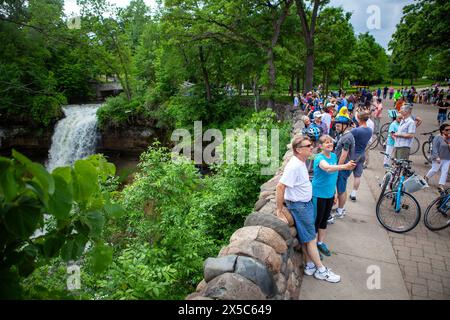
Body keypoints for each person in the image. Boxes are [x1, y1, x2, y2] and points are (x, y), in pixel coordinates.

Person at [276, 136, 341, 283]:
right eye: (308, 146)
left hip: (305, 204)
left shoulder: (301, 162)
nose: (311, 147)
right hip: (300, 206)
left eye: (311, 145)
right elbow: (280, 186)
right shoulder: (294, 166)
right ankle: (321, 270)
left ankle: (310, 265)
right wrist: (279, 210)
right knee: (312, 238)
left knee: (306, 237)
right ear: (298, 150)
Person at [312, 135, 356, 255]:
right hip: (319, 195)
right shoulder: (318, 158)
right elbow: (328, 168)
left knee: (324, 220)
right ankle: (313, 248)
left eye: (331, 142)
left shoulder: (333, 156)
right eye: (326, 143)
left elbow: (334, 175)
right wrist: (345, 166)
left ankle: (320, 243)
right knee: (316, 221)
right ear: (320, 146)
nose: (330, 144)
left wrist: (335, 192)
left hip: (329, 195)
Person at [334, 116, 355, 219]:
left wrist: (337, 168)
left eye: (338, 126)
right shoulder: (345, 135)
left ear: (345, 126)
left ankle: (340, 210)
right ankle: (340, 208)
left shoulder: (346, 137)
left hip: (343, 168)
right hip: (344, 167)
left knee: (341, 189)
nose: (336, 127)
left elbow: (344, 155)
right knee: (342, 188)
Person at [349, 110, 373, 201]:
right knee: (357, 176)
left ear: (359, 118)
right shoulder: (369, 130)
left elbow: (349, 137)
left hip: (353, 154)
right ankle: (354, 193)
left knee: (345, 174)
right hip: (362, 154)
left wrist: (354, 128)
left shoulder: (355, 130)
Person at [425, 123, 450, 192]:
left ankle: (441, 185)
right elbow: (434, 148)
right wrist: (437, 157)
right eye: (447, 130)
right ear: (442, 130)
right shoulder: (438, 137)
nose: (448, 131)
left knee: (445, 171)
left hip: (447, 157)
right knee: (435, 169)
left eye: (449, 129)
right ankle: (426, 177)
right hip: (438, 157)